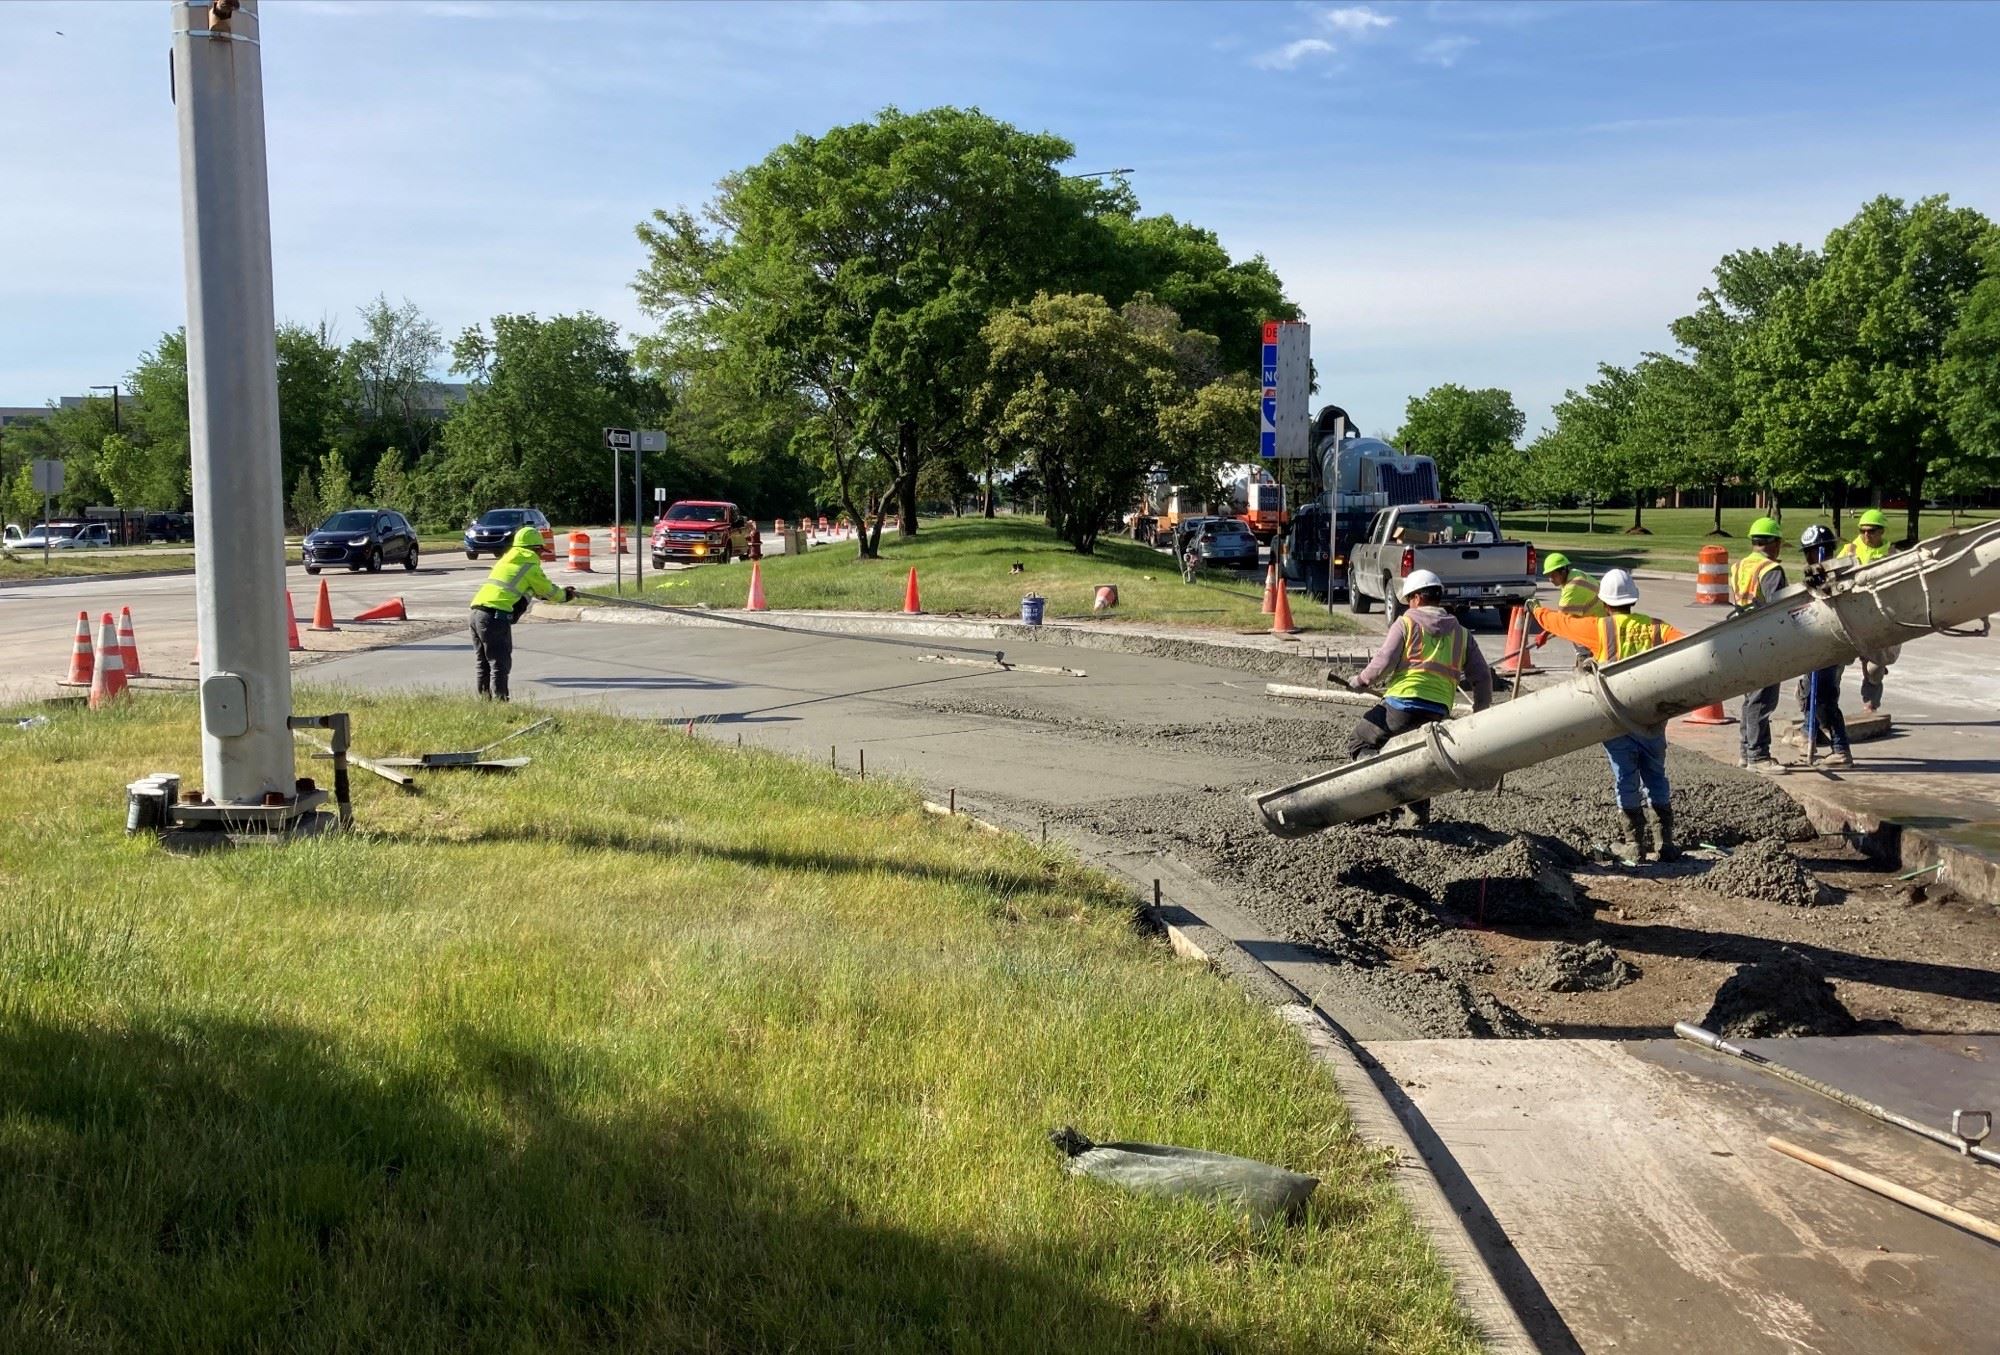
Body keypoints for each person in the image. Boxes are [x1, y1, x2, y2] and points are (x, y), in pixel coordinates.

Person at [1531, 568, 1685, 861]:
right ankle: (1665, 843)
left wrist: (1535, 610)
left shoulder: (1600, 628)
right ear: (1633, 600)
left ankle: (1634, 844)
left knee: (1626, 777)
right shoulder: (1658, 628)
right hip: (1651, 719)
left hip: (1616, 718)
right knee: (1656, 776)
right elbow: (1689, 645)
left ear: (1604, 601)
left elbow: (1560, 623)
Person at [1342, 569, 1494, 828]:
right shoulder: (1462, 634)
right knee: (1421, 762)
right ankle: (1418, 814)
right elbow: (1483, 679)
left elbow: (1384, 662)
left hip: (1401, 706)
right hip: (1437, 713)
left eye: (1408, 598)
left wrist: (1361, 681)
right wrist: (1479, 715)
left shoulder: (1406, 623)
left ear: (1416, 598)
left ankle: (1375, 796)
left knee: (1360, 741)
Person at [468, 525, 574, 701]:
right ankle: (500, 702)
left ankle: (484, 702)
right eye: (540, 551)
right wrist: (566, 595)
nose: (541, 555)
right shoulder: (529, 565)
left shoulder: (506, 561)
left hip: (476, 613)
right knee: (500, 663)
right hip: (495, 616)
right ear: (535, 548)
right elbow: (549, 590)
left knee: (483, 663)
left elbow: (527, 589)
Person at [1732, 517, 1789, 773]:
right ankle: (1758, 756)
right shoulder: (1770, 570)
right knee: (1762, 699)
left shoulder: (1739, 566)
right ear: (1774, 543)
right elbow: (1777, 607)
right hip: (1764, 639)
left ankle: (1746, 752)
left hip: (1743, 636)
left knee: (1750, 697)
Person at [1795, 525, 1854, 768]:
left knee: (1823, 698)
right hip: (1819, 643)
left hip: (1831, 644)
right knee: (1809, 693)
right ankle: (1811, 734)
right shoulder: (1817, 572)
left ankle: (1840, 749)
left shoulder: (1836, 573)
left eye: (1810, 552)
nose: (1808, 557)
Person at [1837, 508, 1898, 711]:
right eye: (1862, 530)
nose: (1866, 535)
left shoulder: (1891, 554)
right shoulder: (1850, 550)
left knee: (1874, 667)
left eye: (1871, 531)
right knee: (1834, 664)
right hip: (1850, 616)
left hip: (1878, 616)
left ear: (1882, 531)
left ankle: (1870, 705)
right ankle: (1820, 704)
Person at [1534, 551, 1605, 668]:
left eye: (1553, 575)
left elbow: (1559, 620)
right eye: (1549, 576)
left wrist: (1544, 634)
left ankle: (1585, 665)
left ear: (1563, 571)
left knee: (1572, 629)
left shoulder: (1572, 586)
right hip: (1600, 619)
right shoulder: (1575, 574)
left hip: (1596, 624)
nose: (1550, 579)